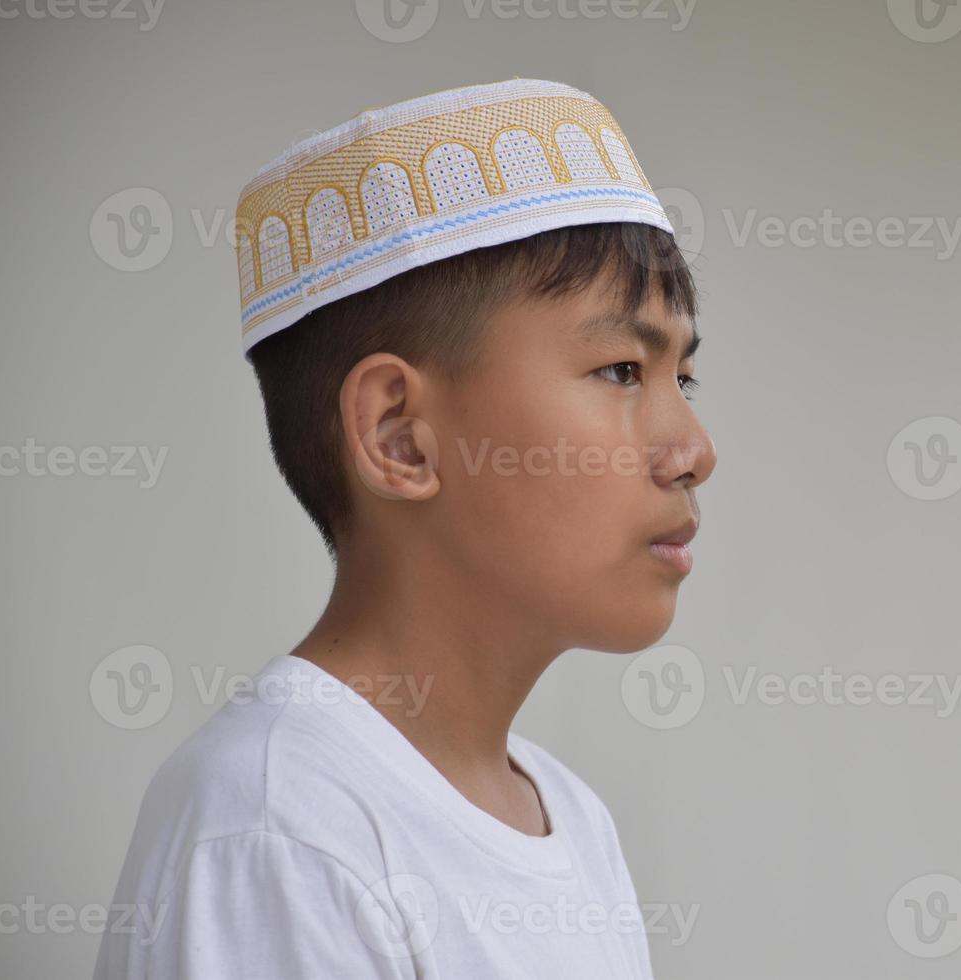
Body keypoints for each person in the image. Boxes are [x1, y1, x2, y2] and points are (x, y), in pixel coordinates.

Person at [94, 79, 715, 979]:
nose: (694, 450)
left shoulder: (573, 822)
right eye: (622, 369)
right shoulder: (281, 833)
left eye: (682, 379)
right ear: (400, 435)